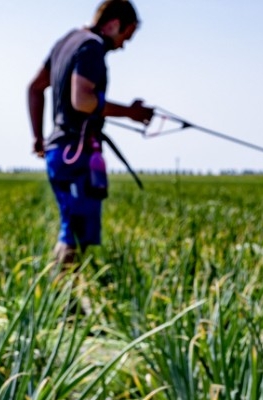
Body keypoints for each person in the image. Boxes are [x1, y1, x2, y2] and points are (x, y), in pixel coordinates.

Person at [27, 1, 154, 266]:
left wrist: (39, 138)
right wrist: (131, 113)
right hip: (77, 153)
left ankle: (68, 298)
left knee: (75, 230)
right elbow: (82, 101)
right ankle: (63, 303)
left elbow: (35, 88)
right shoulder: (92, 47)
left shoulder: (67, 42)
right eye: (126, 36)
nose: (122, 45)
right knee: (73, 236)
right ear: (114, 24)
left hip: (58, 151)